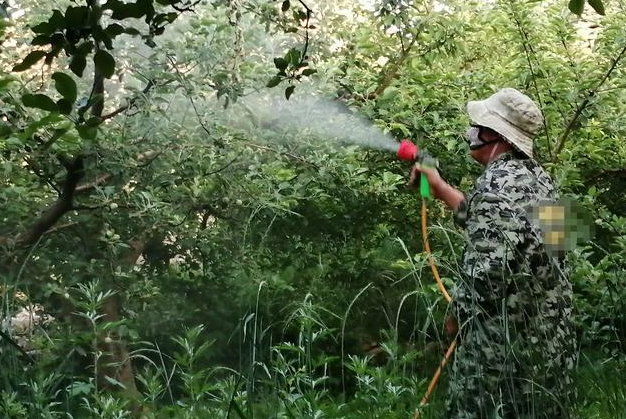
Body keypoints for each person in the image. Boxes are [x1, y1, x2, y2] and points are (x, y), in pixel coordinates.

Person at [412, 88, 576, 419]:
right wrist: (439, 187)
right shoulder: (542, 181)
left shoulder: (496, 188)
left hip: (503, 357)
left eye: (477, 125)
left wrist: (455, 317)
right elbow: (506, 229)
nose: (471, 132)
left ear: (492, 134)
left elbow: (485, 277)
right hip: (553, 346)